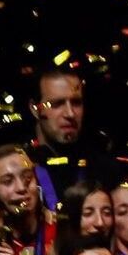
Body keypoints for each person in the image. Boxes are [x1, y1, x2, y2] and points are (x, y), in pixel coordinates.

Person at [28, 69, 111, 211]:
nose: (70, 113)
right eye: (57, 103)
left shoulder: (106, 170)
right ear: (35, 109)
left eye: (76, 102)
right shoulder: (22, 170)